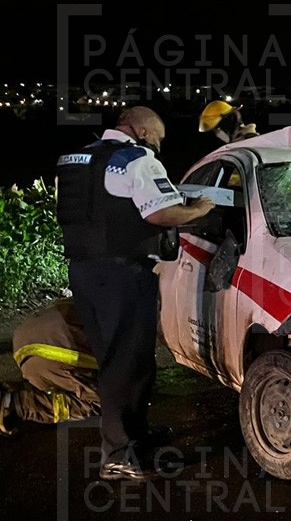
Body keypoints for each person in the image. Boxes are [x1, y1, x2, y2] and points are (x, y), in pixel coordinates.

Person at [55, 106, 216, 481]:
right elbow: (160, 214)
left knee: (114, 357)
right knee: (129, 362)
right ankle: (120, 454)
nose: (157, 148)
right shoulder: (136, 159)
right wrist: (196, 210)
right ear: (142, 132)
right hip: (122, 273)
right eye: (157, 140)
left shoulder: (73, 160)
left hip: (83, 272)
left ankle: (133, 437)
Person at [0, 299, 100, 436]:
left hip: (36, 341)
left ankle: (15, 400)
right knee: (101, 400)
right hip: (50, 344)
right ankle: (15, 404)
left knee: (97, 399)